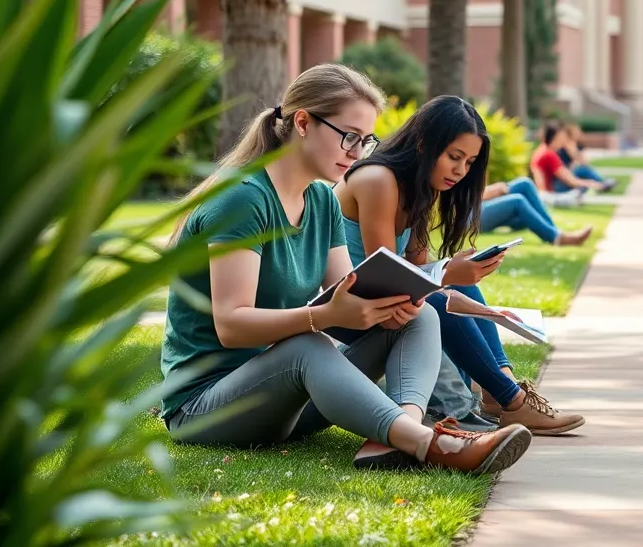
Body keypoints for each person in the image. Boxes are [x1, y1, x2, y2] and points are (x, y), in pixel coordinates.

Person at [159, 64, 532, 476]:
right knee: (308, 344)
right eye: (348, 137)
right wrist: (324, 317)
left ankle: (398, 434)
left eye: (366, 140)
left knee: (419, 317)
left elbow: (349, 290)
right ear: (303, 122)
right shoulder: (242, 200)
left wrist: (391, 304)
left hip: (288, 401)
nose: (357, 152)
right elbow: (231, 325)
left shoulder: (320, 199)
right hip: (208, 407)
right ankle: (432, 443)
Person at [339, 96, 585, 436]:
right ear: (424, 144)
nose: (460, 170)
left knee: (458, 286)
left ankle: (500, 393)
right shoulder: (378, 179)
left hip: (383, 307)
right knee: (444, 292)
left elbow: (417, 268)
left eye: (469, 162)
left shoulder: (419, 189)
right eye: (454, 157)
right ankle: (512, 401)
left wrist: (456, 279)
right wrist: (446, 274)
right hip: (344, 316)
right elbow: (387, 277)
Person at [482, 177, 593, 246]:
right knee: (518, 201)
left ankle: (554, 231)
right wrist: (487, 193)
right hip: (470, 214)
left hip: (477, 204)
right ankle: (556, 237)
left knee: (525, 184)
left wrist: (491, 190)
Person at [531, 123, 610, 196]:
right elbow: (570, 180)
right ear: (554, 138)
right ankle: (601, 184)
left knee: (582, 174)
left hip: (548, 189)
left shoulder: (542, 149)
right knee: (582, 181)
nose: (563, 141)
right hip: (553, 191)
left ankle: (601, 183)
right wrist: (591, 184)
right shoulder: (549, 155)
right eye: (561, 138)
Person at [555, 122, 618, 193]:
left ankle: (601, 183)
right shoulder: (568, 144)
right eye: (577, 131)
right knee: (583, 169)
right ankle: (602, 182)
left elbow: (584, 161)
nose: (580, 133)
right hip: (566, 174)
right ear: (571, 133)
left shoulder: (576, 144)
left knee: (584, 169)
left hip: (569, 172)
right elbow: (579, 160)